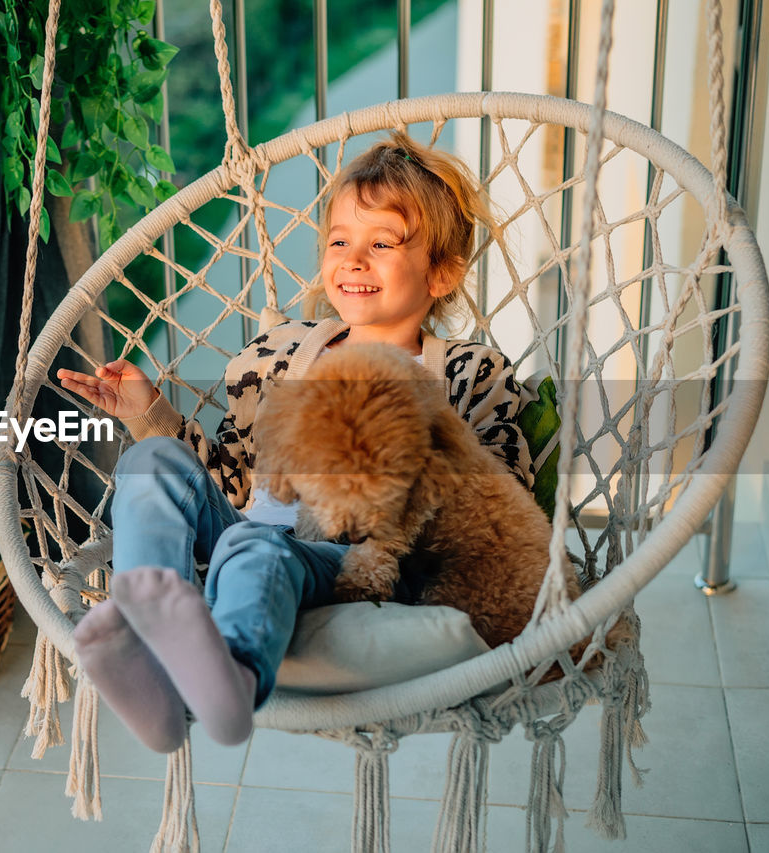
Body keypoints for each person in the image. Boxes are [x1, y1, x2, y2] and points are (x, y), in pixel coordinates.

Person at [56, 130, 534, 754]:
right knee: (151, 463)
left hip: (356, 562)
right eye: (340, 241)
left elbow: (497, 503)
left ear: (441, 273)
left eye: (382, 244)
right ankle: (148, 625)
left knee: (256, 548)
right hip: (245, 526)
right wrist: (151, 416)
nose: (353, 261)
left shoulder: (469, 375)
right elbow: (233, 479)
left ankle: (234, 676)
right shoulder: (278, 355)